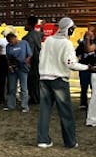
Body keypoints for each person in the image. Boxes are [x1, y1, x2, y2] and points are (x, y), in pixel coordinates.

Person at [36, 17, 87, 149]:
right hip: (59, 79)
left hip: (44, 78)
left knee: (44, 110)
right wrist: (87, 67)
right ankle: (70, 141)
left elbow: (42, 57)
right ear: (69, 29)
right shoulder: (67, 43)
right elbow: (71, 64)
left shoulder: (48, 40)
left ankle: (43, 139)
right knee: (66, 112)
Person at [3, 31, 32, 112]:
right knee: (11, 87)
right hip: (13, 68)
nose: (10, 43)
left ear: (14, 38)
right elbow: (8, 58)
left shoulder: (24, 43)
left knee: (24, 88)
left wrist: (27, 61)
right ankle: (10, 105)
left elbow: (30, 54)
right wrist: (9, 66)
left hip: (23, 67)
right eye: (9, 42)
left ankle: (24, 106)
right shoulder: (8, 46)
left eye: (11, 41)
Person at [23, 16, 43, 106]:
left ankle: (34, 98)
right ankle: (37, 97)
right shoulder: (38, 34)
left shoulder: (27, 37)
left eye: (26, 23)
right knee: (37, 80)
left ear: (29, 25)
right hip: (39, 59)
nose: (24, 25)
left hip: (32, 61)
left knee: (31, 81)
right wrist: (42, 26)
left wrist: (27, 62)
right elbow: (41, 34)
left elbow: (29, 51)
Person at [75, 27, 95, 109]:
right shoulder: (81, 44)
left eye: (91, 36)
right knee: (84, 86)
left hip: (94, 68)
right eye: (88, 36)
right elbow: (77, 53)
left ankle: (94, 103)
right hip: (84, 68)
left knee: (94, 87)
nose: (89, 38)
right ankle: (83, 103)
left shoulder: (95, 44)